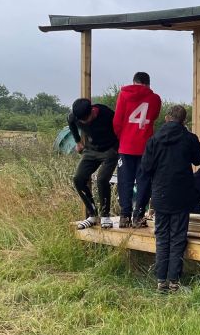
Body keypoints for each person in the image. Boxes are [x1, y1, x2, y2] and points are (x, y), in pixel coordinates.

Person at [140, 105, 200, 293]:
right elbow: (199, 159)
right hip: (182, 195)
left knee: (161, 237)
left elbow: (146, 167)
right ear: (184, 121)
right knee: (177, 238)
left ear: (167, 118)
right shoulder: (189, 138)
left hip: (160, 194)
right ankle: (174, 282)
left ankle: (161, 282)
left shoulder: (154, 140)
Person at [113, 72, 162, 228]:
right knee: (144, 182)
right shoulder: (155, 99)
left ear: (134, 82)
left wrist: (123, 138)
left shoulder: (124, 95)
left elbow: (117, 121)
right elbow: (153, 117)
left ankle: (124, 216)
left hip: (126, 146)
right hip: (145, 147)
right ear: (148, 84)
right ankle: (138, 217)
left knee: (124, 182)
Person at [69, 98, 119, 230]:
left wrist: (116, 149)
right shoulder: (75, 116)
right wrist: (78, 142)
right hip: (91, 150)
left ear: (92, 111)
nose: (85, 123)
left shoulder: (107, 114)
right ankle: (92, 215)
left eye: (87, 119)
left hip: (109, 150)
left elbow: (120, 129)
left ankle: (105, 216)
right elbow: (71, 123)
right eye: (82, 121)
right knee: (78, 179)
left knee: (102, 179)